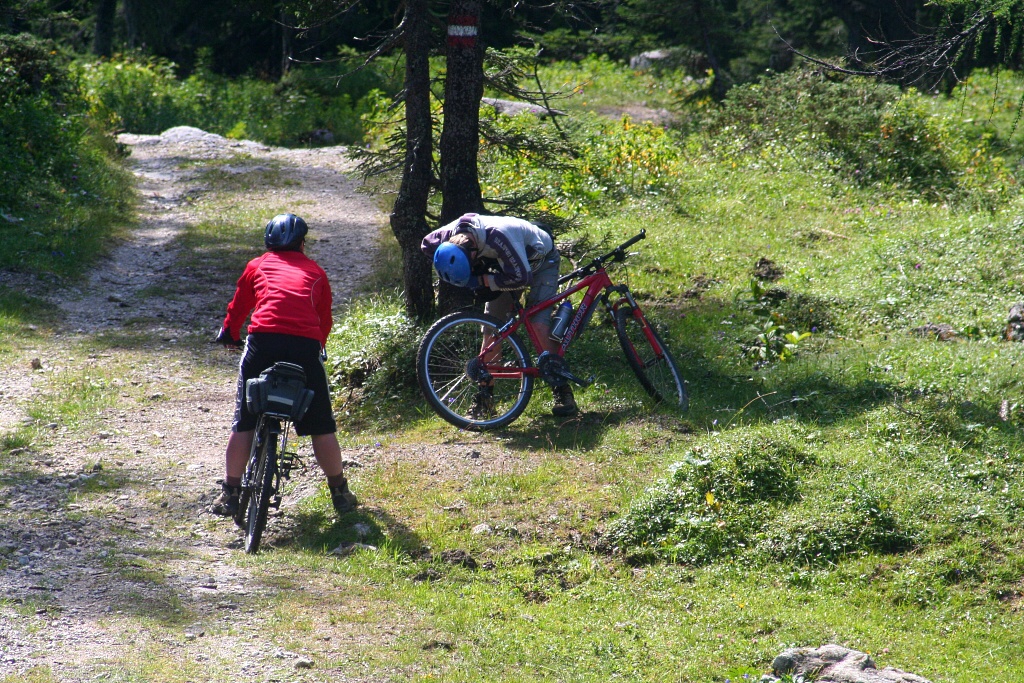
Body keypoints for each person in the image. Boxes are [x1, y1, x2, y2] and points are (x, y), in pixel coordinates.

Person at [211, 213, 357, 518]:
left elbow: (238, 307)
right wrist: (318, 348)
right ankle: (339, 492)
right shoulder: (316, 272)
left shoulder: (258, 265)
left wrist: (229, 334)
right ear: (302, 243)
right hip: (304, 347)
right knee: (321, 425)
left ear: (269, 241)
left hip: (263, 341)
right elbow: (324, 319)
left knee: (244, 420)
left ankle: (231, 492)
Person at [421, 213, 579, 418]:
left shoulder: (499, 237)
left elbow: (521, 277)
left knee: (538, 323)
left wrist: (483, 281)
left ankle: (562, 390)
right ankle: (484, 398)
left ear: (474, 252)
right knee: (492, 330)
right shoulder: (446, 237)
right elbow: (426, 245)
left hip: (541, 263)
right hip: (505, 266)